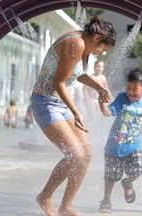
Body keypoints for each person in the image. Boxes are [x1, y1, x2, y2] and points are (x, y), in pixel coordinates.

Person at [30, 16, 117, 216]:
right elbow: (59, 83)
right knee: (75, 155)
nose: (100, 53)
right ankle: (45, 197)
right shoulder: (75, 42)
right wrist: (77, 112)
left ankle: (65, 206)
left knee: (86, 154)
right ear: (96, 38)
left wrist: (99, 88)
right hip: (46, 103)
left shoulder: (83, 44)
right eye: (102, 49)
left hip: (61, 103)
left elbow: (74, 73)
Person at [98, 68, 142, 213]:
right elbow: (107, 113)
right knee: (111, 177)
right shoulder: (121, 98)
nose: (130, 91)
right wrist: (101, 104)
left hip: (133, 145)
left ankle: (127, 183)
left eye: (134, 88)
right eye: (128, 87)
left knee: (138, 168)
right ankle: (106, 200)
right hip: (114, 147)